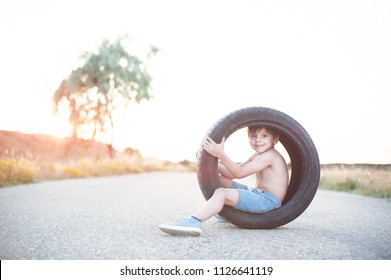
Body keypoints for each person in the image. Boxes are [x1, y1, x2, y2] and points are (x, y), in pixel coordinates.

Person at [159, 126, 289, 236]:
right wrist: (209, 161)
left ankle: (195, 221)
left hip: (268, 201)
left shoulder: (271, 156)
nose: (258, 140)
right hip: (257, 194)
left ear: (275, 139)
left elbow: (239, 173)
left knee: (222, 193)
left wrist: (220, 153)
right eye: (253, 136)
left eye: (264, 136)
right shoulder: (257, 156)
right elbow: (231, 174)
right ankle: (223, 212)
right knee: (221, 180)